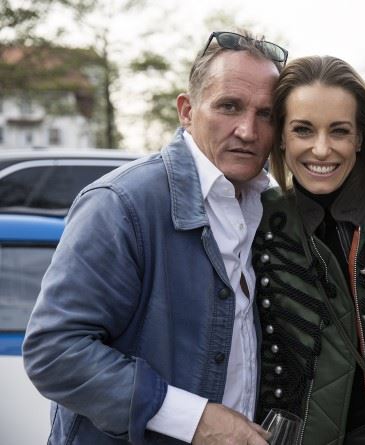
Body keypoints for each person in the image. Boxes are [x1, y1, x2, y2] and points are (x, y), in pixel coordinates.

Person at [22, 30, 287, 445]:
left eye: (266, 114)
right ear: (187, 111)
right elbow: (54, 351)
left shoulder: (269, 209)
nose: (248, 130)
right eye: (229, 106)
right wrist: (195, 419)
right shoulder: (122, 203)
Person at [250, 55, 365, 445]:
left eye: (339, 131)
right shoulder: (256, 219)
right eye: (303, 130)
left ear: (360, 137)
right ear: (281, 136)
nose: (321, 149)